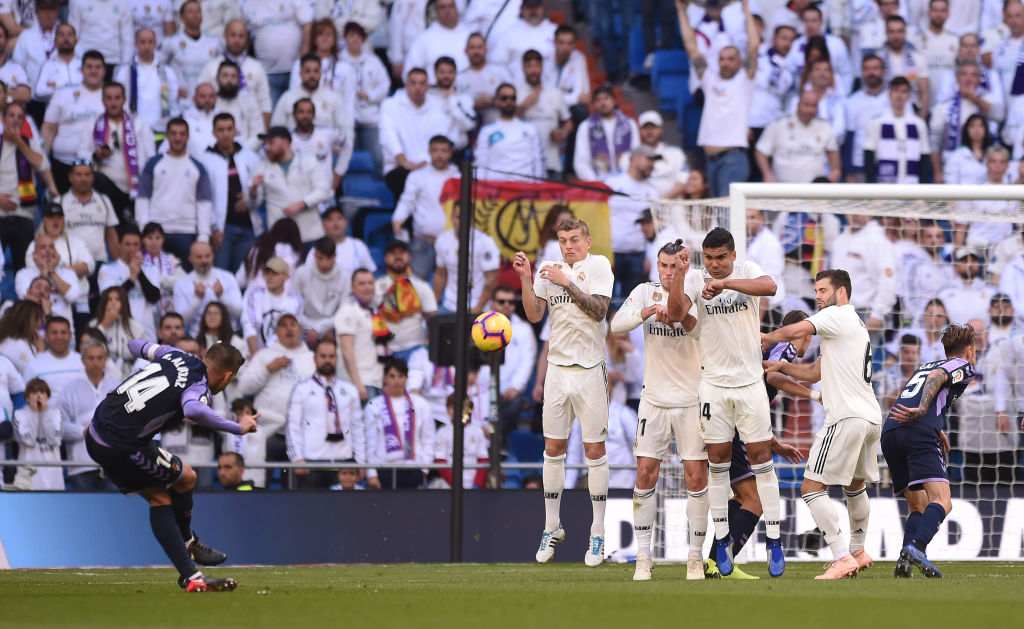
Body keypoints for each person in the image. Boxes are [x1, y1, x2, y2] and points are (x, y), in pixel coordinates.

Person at [85, 339, 256, 591]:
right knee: (164, 497)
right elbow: (193, 409)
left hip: (97, 429)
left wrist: (156, 355)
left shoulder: (174, 354)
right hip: (122, 443)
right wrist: (238, 427)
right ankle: (190, 566)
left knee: (185, 477)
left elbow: (134, 345)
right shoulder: (200, 385)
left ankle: (189, 548)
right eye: (230, 379)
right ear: (227, 375)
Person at [666, 227, 784, 578]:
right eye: (710, 258)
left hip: (750, 385)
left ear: (732, 256)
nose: (714, 265)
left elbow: (771, 286)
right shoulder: (695, 279)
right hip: (714, 387)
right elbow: (675, 314)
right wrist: (682, 275)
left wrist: (726, 285)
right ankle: (722, 540)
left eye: (721, 258)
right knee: (717, 463)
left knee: (762, 459)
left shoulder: (746, 271)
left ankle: (775, 542)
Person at [762, 269, 884, 579]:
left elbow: (794, 330)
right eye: (816, 290)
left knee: (811, 487)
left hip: (845, 416)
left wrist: (766, 337)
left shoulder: (837, 315)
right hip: (870, 417)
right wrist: (784, 366)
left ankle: (841, 556)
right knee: (855, 486)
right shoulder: (853, 324)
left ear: (841, 293)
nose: (818, 296)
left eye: (823, 290)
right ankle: (858, 550)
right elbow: (817, 370)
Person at [513, 217, 613, 566]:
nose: (568, 246)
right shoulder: (548, 268)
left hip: (589, 370)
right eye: (562, 240)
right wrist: (527, 280)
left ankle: (598, 532)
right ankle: (551, 526)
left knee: (594, 452)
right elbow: (535, 314)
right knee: (552, 450)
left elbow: (600, 312)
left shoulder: (598, 265)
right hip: (557, 369)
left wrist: (567, 282)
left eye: (574, 240)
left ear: (587, 241)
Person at [610, 240, 706, 580]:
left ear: (684, 265)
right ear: (657, 265)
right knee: (645, 474)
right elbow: (616, 325)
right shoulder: (644, 291)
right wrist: (646, 312)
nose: (668, 272)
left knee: (696, 477)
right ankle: (643, 556)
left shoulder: (696, 288)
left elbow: (702, 334)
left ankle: (694, 557)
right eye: (664, 266)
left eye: (674, 266)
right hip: (653, 399)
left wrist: (679, 311)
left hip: (693, 399)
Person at [881, 324, 977, 578]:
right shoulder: (963, 366)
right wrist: (924, 412)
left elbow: (916, 391)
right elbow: (937, 381)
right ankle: (917, 548)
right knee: (942, 501)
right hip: (917, 431)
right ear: (969, 351)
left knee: (918, 506)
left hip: (891, 430)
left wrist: (937, 426)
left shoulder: (927, 365)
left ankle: (904, 563)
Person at [677, 0, 758, 197]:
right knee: (718, 218)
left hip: (733, 159)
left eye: (731, 59)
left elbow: (754, 45)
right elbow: (691, 46)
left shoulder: (744, 81)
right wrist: (681, 10)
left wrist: (746, 9)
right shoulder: (709, 78)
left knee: (725, 217)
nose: (725, 63)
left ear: (739, 62)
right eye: (722, 58)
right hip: (710, 160)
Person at [236, 314, 315, 487]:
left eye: (293, 324)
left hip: (298, 435)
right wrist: (267, 369)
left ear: (300, 330)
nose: (289, 329)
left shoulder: (311, 358)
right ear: (277, 332)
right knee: (259, 483)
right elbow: (245, 387)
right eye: (284, 325)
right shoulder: (265, 355)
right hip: (266, 431)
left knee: (297, 488)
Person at [286, 338, 365, 489]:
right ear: (315, 358)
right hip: (312, 463)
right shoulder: (301, 390)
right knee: (311, 512)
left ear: (337, 358)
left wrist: (360, 462)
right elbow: (292, 426)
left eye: (331, 356)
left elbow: (358, 428)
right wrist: (297, 458)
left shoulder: (350, 391)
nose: (327, 361)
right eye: (323, 356)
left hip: (343, 463)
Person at [135, 118, 212, 263]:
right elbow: (143, 197)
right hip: (157, 232)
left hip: (187, 232)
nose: (178, 138)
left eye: (182, 134)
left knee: (185, 280)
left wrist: (203, 236)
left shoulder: (198, 167)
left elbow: (204, 203)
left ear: (188, 137)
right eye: (174, 133)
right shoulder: (153, 164)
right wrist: (144, 229)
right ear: (167, 135)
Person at [248, 126, 332, 246]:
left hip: (310, 234)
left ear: (286, 142)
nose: (267, 148)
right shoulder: (262, 167)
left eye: (271, 143)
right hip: (279, 236)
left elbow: (324, 191)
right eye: (266, 144)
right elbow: (253, 204)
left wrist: (301, 204)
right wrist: (253, 190)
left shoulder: (308, 161)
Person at [199, 112, 261, 272]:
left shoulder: (250, 157)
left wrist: (250, 198)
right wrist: (213, 228)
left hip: (248, 227)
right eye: (220, 130)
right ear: (213, 132)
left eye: (229, 129)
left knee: (244, 276)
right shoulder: (205, 160)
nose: (225, 134)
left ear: (235, 131)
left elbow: (262, 192)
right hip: (223, 229)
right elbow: (203, 198)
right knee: (220, 274)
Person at [57, 334, 119, 490]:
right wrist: (83, 431)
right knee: (83, 513)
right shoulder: (70, 389)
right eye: (91, 358)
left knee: (112, 512)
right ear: (82, 360)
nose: (96, 363)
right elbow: (58, 427)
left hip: (113, 463)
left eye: (100, 358)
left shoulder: (118, 388)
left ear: (106, 359)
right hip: (80, 464)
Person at [379, 67, 452, 200]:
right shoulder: (390, 105)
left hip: (431, 166)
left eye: (422, 83)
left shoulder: (437, 110)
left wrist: (427, 163)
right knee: (409, 180)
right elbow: (388, 137)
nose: (417, 87)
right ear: (406, 85)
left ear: (428, 86)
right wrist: (403, 161)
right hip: (398, 167)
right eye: (413, 83)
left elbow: (441, 140)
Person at [391, 135, 457, 280]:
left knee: (453, 286)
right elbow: (407, 201)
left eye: (444, 151)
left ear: (450, 153)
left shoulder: (458, 177)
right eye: (435, 150)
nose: (439, 155)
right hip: (423, 241)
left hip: (451, 242)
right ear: (429, 151)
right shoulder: (417, 176)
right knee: (417, 285)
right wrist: (398, 219)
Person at [363, 356, 433, 489]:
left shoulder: (421, 404)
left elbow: (428, 439)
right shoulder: (373, 406)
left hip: (413, 469)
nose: (396, 381)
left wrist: (424, 469)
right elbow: (370, 443)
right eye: (392, 376)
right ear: (385, 378)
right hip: (383, 469)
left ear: (406, 378)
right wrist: (371, 473)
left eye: (400, 376)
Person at [2, 101, 51, 275]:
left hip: (24, 216)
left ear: (24, 121)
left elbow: (41, 164)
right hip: (0, 216)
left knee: (25, 271)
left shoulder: (29, 143)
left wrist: (19, 143)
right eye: (11, 116)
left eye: (20, 117)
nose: (15, 120)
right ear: (3, 118)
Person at [198, 20, 272, 127]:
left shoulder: (256, 67)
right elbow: (201, 96)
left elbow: (264, 103)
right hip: (217, 125)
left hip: (249, 124)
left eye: (241, 36)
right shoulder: (211, 66)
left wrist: (262, 136)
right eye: (233, 35)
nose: (236, 40)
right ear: (225, 36)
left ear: (246, 38)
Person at [755, 90, 841, 183]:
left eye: (814, 106)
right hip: (782, 189)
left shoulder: (824, 126)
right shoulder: (778, 124)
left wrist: (836, 170)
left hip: (814, 191)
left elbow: (832, 152)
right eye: (806, 105)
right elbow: (761, 151)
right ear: (798, 104)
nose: (810, 110)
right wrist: (767, 174)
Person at [240, 0, 313, 106]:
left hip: (295, 72)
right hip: (266, 73)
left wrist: (303, 61)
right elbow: (243, 36)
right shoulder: (248, 5)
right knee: (272, 115)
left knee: (297, 113)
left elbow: (308, 26)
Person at [339, 21, 389, 173]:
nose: (354, 40)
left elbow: (385, 85)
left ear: (363, 39)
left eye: (358, 37)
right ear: (345, 38)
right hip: (346, 121)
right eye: (351, 36)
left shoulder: (373, 61)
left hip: (370, 120)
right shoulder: (339, 61)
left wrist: (370, 95)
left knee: (379, 159)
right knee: (344, 163)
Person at [113, 29, 182, 138]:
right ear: (136, 44)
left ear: (155, 43)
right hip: (133, 132)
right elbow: (118, 102)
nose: (146, 46)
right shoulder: (125, 72)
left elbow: (173, 103)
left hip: (161, 131)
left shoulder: (168, 72)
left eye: (150, 42)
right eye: (142, 42)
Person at [376, 240, 438, 360]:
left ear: (409, 257)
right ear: (386, 258)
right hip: (385, 350)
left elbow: (433, 318)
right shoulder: (376, 287)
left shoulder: (421, 286)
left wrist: (429, 342)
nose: (398, 256)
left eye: (402, 253)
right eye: (393, 253)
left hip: (414, 349)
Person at [54, 160, 120, 271]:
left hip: (99, 263)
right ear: (70, 177)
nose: (83, 179)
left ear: (93, 177)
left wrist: (119, 267)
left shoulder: (104, 201)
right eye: (78, 175)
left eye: (87, 174)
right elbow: (52, 235)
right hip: (71, 264)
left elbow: (111, 237)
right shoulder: (59, 202)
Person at [336, 267, 390, 404]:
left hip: (377, 382)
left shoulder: (376, 312)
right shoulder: (348, 311)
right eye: (362, 284)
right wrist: (357, 384)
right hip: (360, 382)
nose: (367, 287)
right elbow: (346, 350)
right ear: (352, 287)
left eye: (370, 283)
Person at [864, 76, 932, 183]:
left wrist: (921, 194)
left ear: (909, 96)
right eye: (896, 91)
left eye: (904, 91)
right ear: (889, 94)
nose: (899, 96)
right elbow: (869, 158)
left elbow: (923, 159)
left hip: (911, 186)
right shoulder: (876, 123)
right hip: (884, 187)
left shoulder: (919, 124)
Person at [173, 240, 243, 334]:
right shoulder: (181, 284)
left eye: (207, 256)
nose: (204, 261)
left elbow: (239, 313)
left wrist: (222, 296)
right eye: (199, 257)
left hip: (229, 337)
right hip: (198, 339)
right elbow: (181, 321)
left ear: (213, 256)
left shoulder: (228, 277)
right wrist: (197, 299)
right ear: (190, 258)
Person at [571, 85, 638, 181]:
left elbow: (636, 156)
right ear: (593, 104)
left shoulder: (629, 124)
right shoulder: (586, 126)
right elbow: (580, 162)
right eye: (598, 100)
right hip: (598, 184)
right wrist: (597, 184)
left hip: (627, 182)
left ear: (614, 101)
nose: (602, 102)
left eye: (606, 98)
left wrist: (627, 181)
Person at [241, 256, 304, 356]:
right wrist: (255, 357)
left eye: (275, 273)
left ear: (286, 277)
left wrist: (263, 357)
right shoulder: (253, 294)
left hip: (282, 355)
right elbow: (250, 325)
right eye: (267, 273)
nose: (270, 277)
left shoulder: (295, 301)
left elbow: (289, 331)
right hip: (252, 354)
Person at [292, 236, 350, 342]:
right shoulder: (301, 273)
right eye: (320, 258)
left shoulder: (345, 278)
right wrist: (314, 329)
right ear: (314, 255)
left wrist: (320, 329)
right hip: (303, 330)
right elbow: (294, 308)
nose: (324, 263)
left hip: (333, 330)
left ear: (335, 256)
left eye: (328, 258)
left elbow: (343, 312)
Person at [160, 1, 223, 96]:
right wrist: (171, 88)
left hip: (208, 101)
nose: (195, 15)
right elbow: (159, 67)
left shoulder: (214, 42)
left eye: (198, 11)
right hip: (182, 103)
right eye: (190, 12)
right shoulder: (171, 42)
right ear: (181, 17)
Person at [288, 98, 352, 191]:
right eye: (301, 112)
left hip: (326, 195)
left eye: (309, 112)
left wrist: (339, 172)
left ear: (314, 115)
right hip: (297, 195)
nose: (305, 116)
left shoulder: (327, 133)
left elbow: (348, 144)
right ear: (294, 115)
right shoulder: (287, 139)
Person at [12, 377, 64, 490]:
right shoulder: (19, 414)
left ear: (47, 396)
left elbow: (54, 440)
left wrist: (44, 414)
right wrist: (35, 414)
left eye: (42, 392)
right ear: (27, 398)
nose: (39, 396)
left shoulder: (56, 414)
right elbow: (29, 441)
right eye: (34, 392)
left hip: (53, 476)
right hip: (29, 477)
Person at [403, 0, 471, 83]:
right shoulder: (423, 39)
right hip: (432, 93)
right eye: (442, 7)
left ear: (457, 9)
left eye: (451, 6)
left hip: (467, 92)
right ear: (435, 11)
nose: (447, 11)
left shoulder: (470, 36)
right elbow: (409, 72)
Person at [68, 0, 133, 70]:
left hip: (113, 60)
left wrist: (125, 65)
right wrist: (77, 58)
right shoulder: (78, 2)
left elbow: (127, 38)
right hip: (84, 58)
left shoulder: (123, 3)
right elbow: (73, 33)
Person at [32, 23, 82, 106]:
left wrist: (56, 86)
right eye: (61, 35)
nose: (66, 39)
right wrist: (71, 89)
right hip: (56, 113)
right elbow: (39, 92)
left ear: (76, 41)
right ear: (55, 41)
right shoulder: (48, 65)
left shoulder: (84, 64)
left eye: (70, 35)